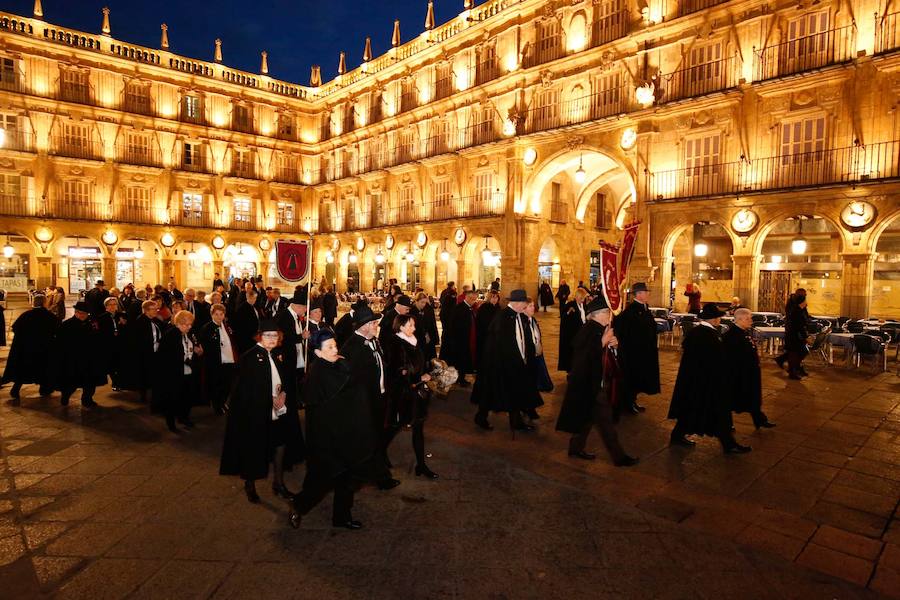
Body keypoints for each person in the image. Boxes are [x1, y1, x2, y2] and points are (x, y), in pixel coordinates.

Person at [289, 330, 378, 530]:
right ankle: (298, 505)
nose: (335, 350)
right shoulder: (317, 374)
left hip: (346, 433)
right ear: (318, 353)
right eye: (329, 347)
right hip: (328, 438)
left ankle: (342, 517)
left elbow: (355, 385)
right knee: (323, 481)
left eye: (335, 345)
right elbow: (325, 406)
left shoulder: (338, 364)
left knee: (347, 477)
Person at [220, 319, 305, 504]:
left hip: (277, 410)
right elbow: (244, 389)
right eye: (268, 335)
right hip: (256, 413)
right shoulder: (250, 357)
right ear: (259, 336)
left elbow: (283, 379)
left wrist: (283, 394)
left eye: (275, 335)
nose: (272, 339)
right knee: (254, 449)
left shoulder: (276, 354)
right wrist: (268, 399)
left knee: (280, 445)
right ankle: (250, 485)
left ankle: (279, 483)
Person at [556, 295, 638, 467]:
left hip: (596, 383)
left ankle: (575, 447)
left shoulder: (601, 329)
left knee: (588, 418)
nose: (610, 315)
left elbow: (608, 358)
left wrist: (615, 346)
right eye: (607, 312)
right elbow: (583, 359)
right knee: (606, 422)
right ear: (598, 314)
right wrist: (602, 342)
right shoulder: (588, 330)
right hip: (589, 384)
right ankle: (619, 457)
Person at [668, 303, 752, 454]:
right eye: (718, 317)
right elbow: (713, 359)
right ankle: (729, 444)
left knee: (692, 410)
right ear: (714, 319)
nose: (719, 319)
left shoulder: (699, 332)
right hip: (707, 381)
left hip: (696, 381)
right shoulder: (707, 335)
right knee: (718, 413)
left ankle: (677, 435)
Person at [340, 303, 400, 491]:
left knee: (376, 438)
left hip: (378, 398)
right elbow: (350, 380)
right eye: (374, 323)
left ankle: (377, 474)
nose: (377, 326)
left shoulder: (374, 341)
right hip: (363, 403)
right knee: (367, 441)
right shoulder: (352, 347)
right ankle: (374, 477)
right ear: (364, 326)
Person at [472, 290, 544, 432]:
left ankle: (515, 421)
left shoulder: (517, 315)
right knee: (492, 392)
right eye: (524, 303)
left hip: (513, 362)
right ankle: (481, 417)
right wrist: (513, 360)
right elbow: (501, 344)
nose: (525, 306)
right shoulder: (503, 317)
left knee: (512, 392)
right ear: (517, 303)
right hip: (499, 363)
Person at [384, 314, 438, 479]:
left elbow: (419, 364)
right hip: (403, 395)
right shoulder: (395, 343)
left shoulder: (414, 341)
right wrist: (417, 377)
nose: (414, 328)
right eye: (410, 325)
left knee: (418, 428)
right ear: (401, 327)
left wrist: (429, 372)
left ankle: (421, 465)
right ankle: (379, 453)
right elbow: (396, 370)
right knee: (394, 427)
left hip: (417, 393)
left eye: (414, 325)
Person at [724, 308, 776, 429]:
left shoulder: (743, 331)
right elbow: (731, 358)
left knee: (753, 398)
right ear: (739, 319)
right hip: (739, 374)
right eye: (748, 319)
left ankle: (759, 420)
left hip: (749, 372)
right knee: (731, 400)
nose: (751, 321)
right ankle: (726, 424)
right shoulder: (731, 336)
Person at [614, 282, 660, 415]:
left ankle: (632, 401)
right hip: (634, 353)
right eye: (645, 292)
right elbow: (623, 330)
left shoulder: (644, 308)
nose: (648, 294)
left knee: (638, 379)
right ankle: (628, 403)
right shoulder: (631, 311)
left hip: (644, 351)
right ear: (638, 294)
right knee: (632, 379)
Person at [2, 294, 58, 401]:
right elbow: (57, 331)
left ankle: (15, 389)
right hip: (44, 349)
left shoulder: (26, 315)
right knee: (43, 369)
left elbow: (15, 328)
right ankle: (44, 389)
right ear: (44, 303)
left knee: (23, 370)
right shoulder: (50, 316)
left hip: (26, 349)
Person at [51, 301, 105, 408]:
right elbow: (60, 343)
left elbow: (98, 339)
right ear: (75, 312)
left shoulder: (92, 324)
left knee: (90, 382)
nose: (82, 315)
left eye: (85, 313)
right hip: (73, 359)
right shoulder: (67, 325)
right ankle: (65, 396)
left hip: (89, 359)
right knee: (71, 383)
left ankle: (87, 400)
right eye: (80, 313)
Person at [156, 310, 202, 433]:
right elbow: (166, 357)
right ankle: (171, 423)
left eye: (190, 324)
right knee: (173, 399)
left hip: (188, 372)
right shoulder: (170, 335)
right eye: (187, 324)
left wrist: (196, 351)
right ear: (179, 323)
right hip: (174, 374)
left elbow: (190, 347)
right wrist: (183, 360)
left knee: (187, 397)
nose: (189, 327)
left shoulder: (188, 334)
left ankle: (184, 417)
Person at [198, 303, 238, 415]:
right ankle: (217, 405)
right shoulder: (207, 328)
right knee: (217, 385)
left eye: (221, 314)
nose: (219, 317)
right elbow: (205, 346)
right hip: (216, 362)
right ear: (212, 315)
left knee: (228, 384)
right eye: (216, 314)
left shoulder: (226, 326)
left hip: (229, 360)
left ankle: (223, 402)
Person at [121, 299, 162, 405]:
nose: (156, 311)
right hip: (145, 353)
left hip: (155, 352)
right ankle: (144, 395)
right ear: (146, 310)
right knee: (145, 375)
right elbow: (137, 340)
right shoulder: (140, 322)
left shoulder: (155, 320)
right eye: (153, 309)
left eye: (156, 309)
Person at [276, 288, 309, 400]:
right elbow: (285, 338)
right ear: (298, 306)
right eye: (305, 308)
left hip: (294, 355)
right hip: (285, 356)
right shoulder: (285, 316)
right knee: (288, 382)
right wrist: (301, 337)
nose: (306, 310)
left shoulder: (294, 315)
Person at [441, 288, 477, 387]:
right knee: (460, 360)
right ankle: (460, 379)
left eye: (475, 299)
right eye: (473, 299)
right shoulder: (459, 308)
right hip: (460, 340)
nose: (474, 301)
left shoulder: (469, 308)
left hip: (466, 339)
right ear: (467, 298)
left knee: (464, 360)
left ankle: (461, 378)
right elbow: (453, 326)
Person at [778, 289, 811, 379]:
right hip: (793, 335)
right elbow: (798, 324)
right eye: (805, 296)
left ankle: (793, 368)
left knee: (797, 352)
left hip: (795, 335)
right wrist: (805, 336)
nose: (806, 301)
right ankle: (793, 371)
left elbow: (804, 319)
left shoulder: (799, 309)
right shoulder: (795, 310)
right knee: (795, 353)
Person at [524, 298, 552, 399]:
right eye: (530, 306)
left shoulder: (533, 319)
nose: (533, 308)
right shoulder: (523, 322)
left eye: (533, 305)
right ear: (524, 308)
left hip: (537, 349)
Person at [95, 297, 126, 389]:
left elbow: (127, 329)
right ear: (106, 306)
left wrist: (124, 324)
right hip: (108, 343)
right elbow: (100, 333)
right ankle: (115, 382)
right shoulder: (101, 317)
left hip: (120, 342)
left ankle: (120, 381)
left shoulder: (122, 315)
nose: (113, 306)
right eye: (110, 305)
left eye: (114, 304)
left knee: (120, 363)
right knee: (111, 364)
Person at [558, 287, 588, 372]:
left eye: (583, 298)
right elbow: (563, 317)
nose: (583, 300)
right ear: (577, 297)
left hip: (582, 334)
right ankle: (571, 371)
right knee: (572, 355)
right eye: (581, 298)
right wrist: (568, 312)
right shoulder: (570, 304)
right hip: (572, 335)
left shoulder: (584, 306)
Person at [232, 287, 263, 353]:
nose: (255, 299)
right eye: (254, 298)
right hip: (247, 337)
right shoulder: (242, 308)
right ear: (248, 297)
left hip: (254, 335)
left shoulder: (253, 306)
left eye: (255, 298)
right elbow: (241, 325)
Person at [411, 292, 439, 362]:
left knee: (430, 358)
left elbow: (433, 324)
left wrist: (435, 338)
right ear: (416, 301)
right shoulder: (411, 310)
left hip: (428, 337)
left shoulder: (428, 309)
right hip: (417, 338)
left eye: (425, 302)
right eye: (422, 302)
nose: (424, 304)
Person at [474, 290, 500, 362]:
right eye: (492, 297)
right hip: (485, 333)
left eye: (496, 297)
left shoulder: (498, 307)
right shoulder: (484, 307)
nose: (494, 299)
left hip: (494, 334)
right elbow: (482, 322)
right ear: (489, 298)